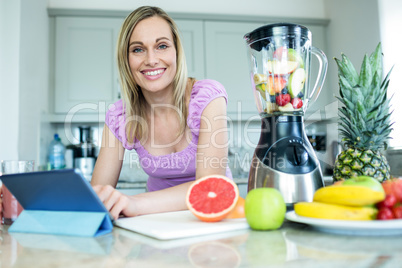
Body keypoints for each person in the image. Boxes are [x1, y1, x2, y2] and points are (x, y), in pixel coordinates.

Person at [91, 6, 232, 220]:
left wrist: (134, 203)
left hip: (212, 218)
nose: (151, 59)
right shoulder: (120, 116)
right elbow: (96, 196)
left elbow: (208, 188)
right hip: (157, 221)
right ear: (126, 59)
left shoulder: (207, 97)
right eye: (138, 49)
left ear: (176, 52)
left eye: (162, 46)